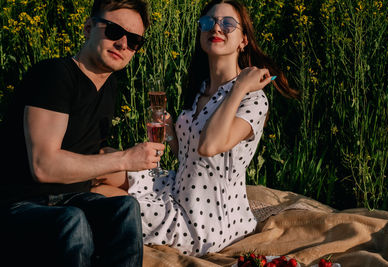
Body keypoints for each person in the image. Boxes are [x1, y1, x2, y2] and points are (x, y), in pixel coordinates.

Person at [92, 0, 299, 257]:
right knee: (104, 162)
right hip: (179, 187)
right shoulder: (201, 88)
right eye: (207, 23)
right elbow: (191, 154)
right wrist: (170, 132)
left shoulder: (252, 99)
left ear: (243, 40)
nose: (216, 28)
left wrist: (240, 87)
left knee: (100, 194)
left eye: (227, 23)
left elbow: (209, 145)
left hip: (205, 222)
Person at [0, 0, 164, 266]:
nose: (123, 43)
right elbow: (44, 166)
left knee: (125, 208)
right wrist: (123, 159)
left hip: (68, 199)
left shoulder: (109, 87)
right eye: (114, 31)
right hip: (19, 204)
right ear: (88, 28)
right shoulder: (54, 75)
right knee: (73, 219)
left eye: (134, 40)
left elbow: (91, 155)